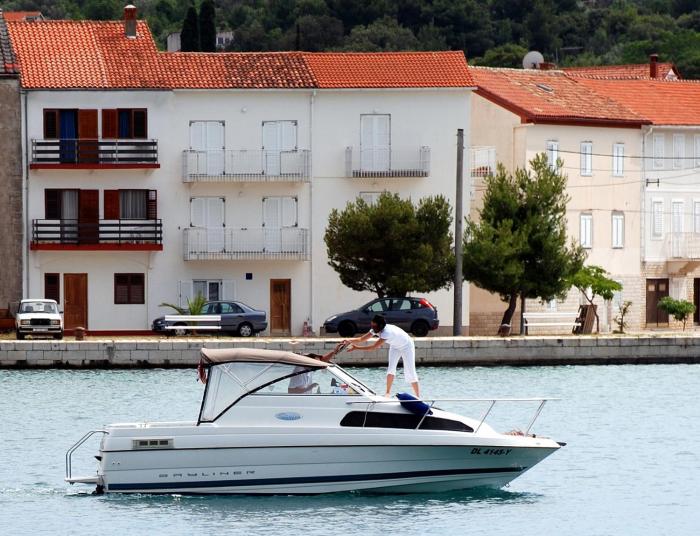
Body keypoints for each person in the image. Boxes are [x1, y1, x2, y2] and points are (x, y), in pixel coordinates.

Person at [346, 315, 419, 398]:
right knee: (391, 369)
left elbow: (373, 347)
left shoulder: (386, 332)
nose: (372, 328)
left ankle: (418, 397)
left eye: (374, 326)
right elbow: (361, 339)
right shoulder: (375, 330)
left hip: (407, 346)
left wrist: (356, 347)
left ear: (380, 326)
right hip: (395, 346)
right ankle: (387, 393)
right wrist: (348, 340)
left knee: (410, 371)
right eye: (372, 325)